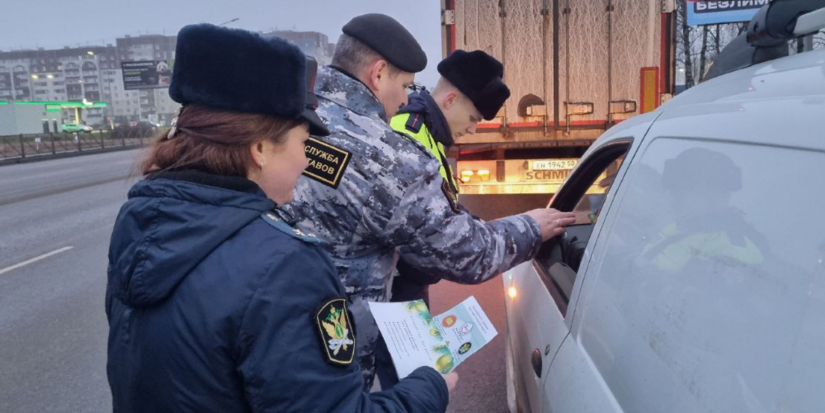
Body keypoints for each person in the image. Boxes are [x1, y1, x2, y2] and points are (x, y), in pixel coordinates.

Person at [105, 24, 454, 413]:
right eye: (304, 142)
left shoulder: (140, 225)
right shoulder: (284, 266)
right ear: (259, 149)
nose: (308, 161)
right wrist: (429, 386)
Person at [283, 13, 576, 390]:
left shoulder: (288, 119)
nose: (406, 97)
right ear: (378, 73)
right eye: (404, 84)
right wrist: (532, 226)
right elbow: (468, 253)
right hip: (337, 344)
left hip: (269, 329)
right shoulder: (386, 156)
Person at [375, 50, 512, 387]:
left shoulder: (428, 135)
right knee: (409, 386)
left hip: (406, 283)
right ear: (450, 99)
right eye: (474, 118)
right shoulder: (407, 135)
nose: (474, 128)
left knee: (416, 380)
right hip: (393, 290)